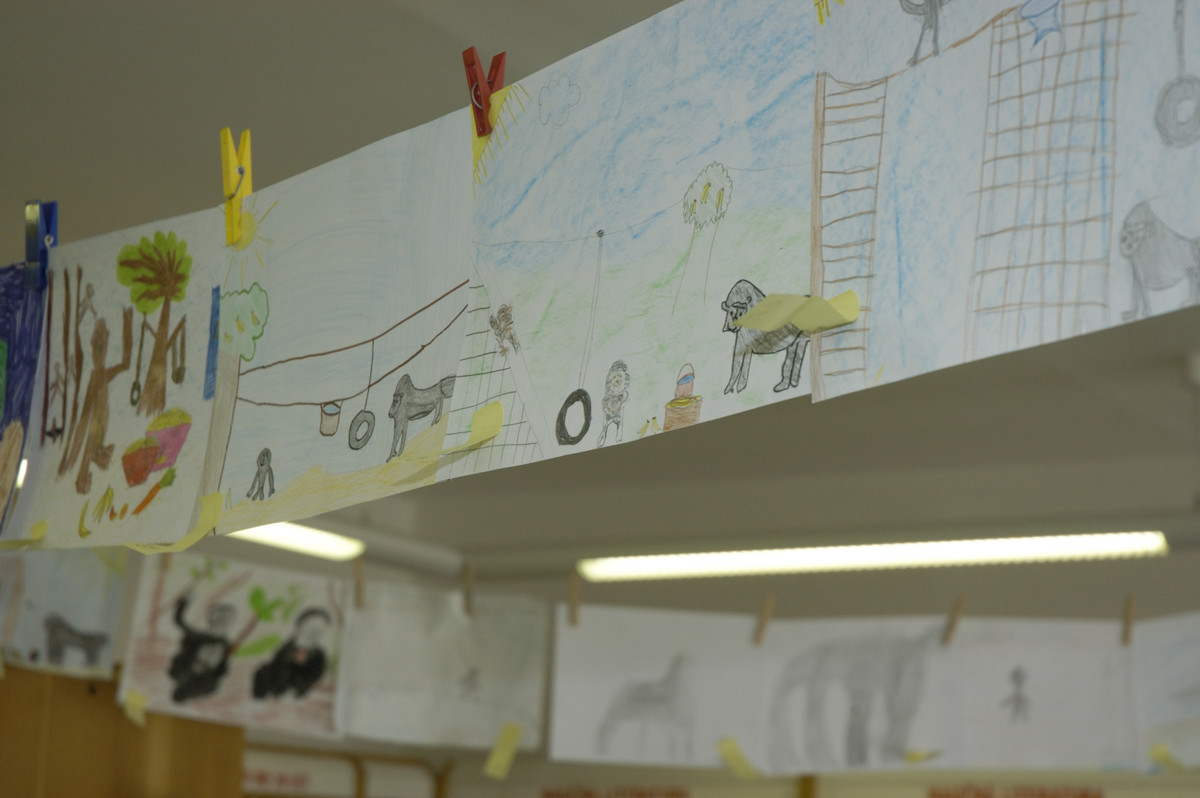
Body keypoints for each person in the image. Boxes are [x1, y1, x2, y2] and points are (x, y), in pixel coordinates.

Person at [252, 607, 332, 699]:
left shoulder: (320, 657)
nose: (314, 632)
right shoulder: (282, 648)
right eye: (311, 627)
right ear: (299, 624)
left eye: (320, 629)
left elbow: (314, 680)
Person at [168, 595, 235, 703]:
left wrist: (183, 604)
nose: (222, 621)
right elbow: (179, 622)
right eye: (220, 618)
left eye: (226, 619)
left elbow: (179, 622)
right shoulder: (209, 686)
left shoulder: (177, 672)